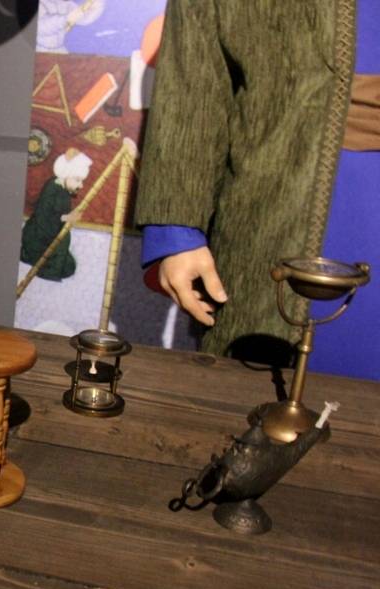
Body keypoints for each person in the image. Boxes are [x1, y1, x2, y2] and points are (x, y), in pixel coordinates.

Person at [134, 0, 378, 381]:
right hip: (275, 206)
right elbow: (194, 73)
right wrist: (176, 229)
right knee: (255, 387)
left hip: (366, 198)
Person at [20, 148, 92, 281]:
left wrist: (67, 217)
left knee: (69, 267)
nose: (81, 185)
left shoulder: (65, 191)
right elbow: (44, 217)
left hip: (51, 236)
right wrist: (67, 218)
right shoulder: (51, 188)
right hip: (38, 237)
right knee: (58, 262)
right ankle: (28, 255)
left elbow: (60, 215)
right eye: (77, 180)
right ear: (66, 175)